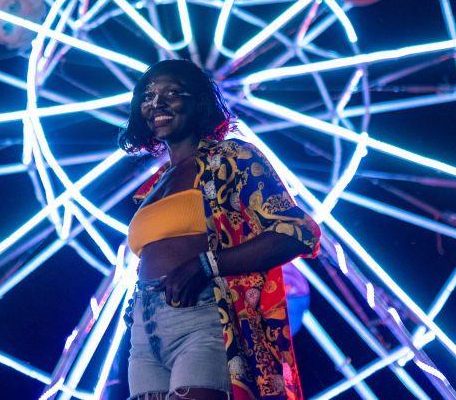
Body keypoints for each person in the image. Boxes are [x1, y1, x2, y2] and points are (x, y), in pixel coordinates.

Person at [119, 59, 320, 400]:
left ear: (197, 101)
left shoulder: (231, 157)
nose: (158, 103)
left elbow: (296, 231)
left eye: (172, 93)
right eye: (149, 95)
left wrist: (205, 266)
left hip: (204, 316)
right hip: (145, 325)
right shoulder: (150, 188)